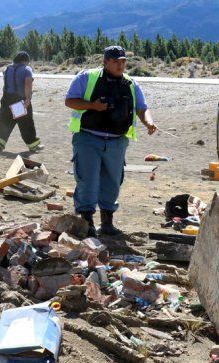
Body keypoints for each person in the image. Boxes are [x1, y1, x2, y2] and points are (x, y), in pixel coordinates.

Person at [64, 46, 157, 237]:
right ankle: (87, 221)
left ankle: (107, 222)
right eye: (116, 61)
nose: (120, 65)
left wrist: (148, 122)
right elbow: (70, 101)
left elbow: (142, 107)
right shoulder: (86, 78)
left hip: (116, 142)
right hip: (88, 138)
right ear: (105, 62)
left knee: (113, 182)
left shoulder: (131, 84)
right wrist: (92, 106)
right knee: (87, 179)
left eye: (123, 61)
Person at [0, 51, 42, 153]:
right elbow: (27, 84)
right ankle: (33, 145)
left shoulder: (6, 69)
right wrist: (28, 98)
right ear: (25, 61)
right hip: (19, 100)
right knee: (25, 122)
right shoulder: (27, 70)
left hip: (6, 99)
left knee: (4, 121)